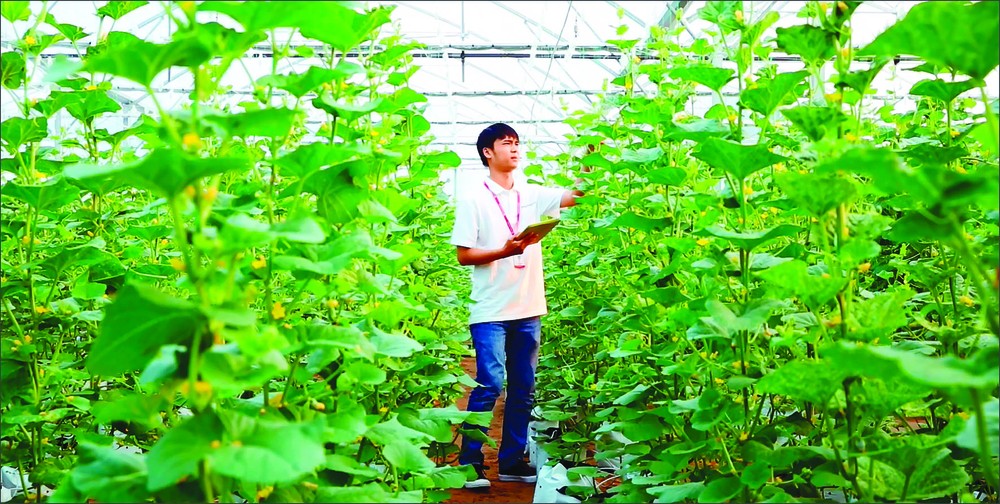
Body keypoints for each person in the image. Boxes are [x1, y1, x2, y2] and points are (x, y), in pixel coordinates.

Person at [449, 123, 588, 489]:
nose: (514, 148)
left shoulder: (532, 193)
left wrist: (591, 158)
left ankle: (512, 461)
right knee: (490, 384)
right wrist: (504, 251)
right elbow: (464, 255)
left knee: (524, 388)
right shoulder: (473, 198)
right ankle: (469, 463)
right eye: (506, 143)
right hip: (491, 311)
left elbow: (577, 195)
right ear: (487, 152)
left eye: (516, 143)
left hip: (528, 308)